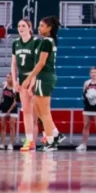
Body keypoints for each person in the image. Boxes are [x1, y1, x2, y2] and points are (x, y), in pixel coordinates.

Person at [23, 15, 66, 152]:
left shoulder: (47, 41)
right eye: (39, 25)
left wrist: (29, 78)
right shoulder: (48, 41)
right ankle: (56, 134)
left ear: (49, 28)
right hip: (44, 77)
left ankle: (51, 141)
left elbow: (41, 63)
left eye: (42, 25)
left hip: (45, 77)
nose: (39, 28)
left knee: (45, 112)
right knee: (38, 108)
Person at [11, 18, 38, 152]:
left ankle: (50, 137)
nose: (21, 28)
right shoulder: (15, 43)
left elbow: (38, 64)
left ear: (29, 27)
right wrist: (15, 80)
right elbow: (13, 64)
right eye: (19, 26)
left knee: (36, 113)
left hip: (34, 77)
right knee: (26, 111)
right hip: (22, 78)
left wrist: (32, 80)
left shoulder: (36, 42)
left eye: (23, 26)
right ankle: (29, 140)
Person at [77, 66, 96, 151]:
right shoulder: (86, 83)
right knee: (86, 125)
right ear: (90, 73)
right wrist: (87, 96)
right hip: (88, 106)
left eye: (95, 72)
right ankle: (83, 144)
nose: (93, 74)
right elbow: (83, 94)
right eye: (92, 72)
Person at [0, 74, 20, 150]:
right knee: (2, 126)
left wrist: (9, 111)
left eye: (9, 77)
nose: (7, 79)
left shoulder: (16, 87)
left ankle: (10, 144)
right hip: (4, 107)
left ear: (12, 78)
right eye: (6, 77)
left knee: (12, 126)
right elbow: (2, 96)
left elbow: (15, 101)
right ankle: (2, 143)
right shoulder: (4, 85)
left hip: (13, 109)